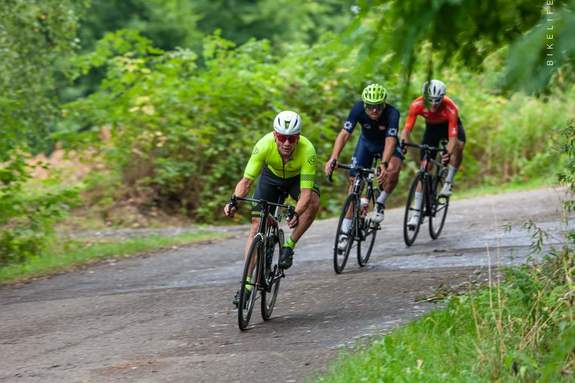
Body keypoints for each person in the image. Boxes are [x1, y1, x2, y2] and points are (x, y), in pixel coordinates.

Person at [224, 110, 320, 305]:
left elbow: (306, 193)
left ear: (298, 138)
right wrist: (233, 201)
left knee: (314, 203)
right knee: (256, 225)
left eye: (291, 138)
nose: (286, 143)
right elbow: (247, 181)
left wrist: (297, 212)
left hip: (295, 179)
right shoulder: (263, 145)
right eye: (282, 137)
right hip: (271, 177)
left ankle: (289, 246)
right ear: (275, 135)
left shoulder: (308, 151)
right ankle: (248, 284)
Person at [324, 83, 403, 250]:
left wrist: (383, 163)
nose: (374, 110)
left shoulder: (392, 113)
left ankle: (380, 202)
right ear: (364, 104)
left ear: (384, 104)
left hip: (386, 146)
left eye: (378, 106)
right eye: (370, 107)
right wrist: (334, 157)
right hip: (366, 144)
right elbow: (345, 134)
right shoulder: (358, 109)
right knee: (354, 183)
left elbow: (390, 140)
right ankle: (345, 231)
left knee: (392, 169)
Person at [400, 79, 466, 228]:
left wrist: (448, 153)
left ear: (443, 97)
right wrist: (402, 143)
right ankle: (416, 213)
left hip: (450, 127)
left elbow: (453, 137)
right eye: (431, 101)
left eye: (438, 100)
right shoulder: (416, 105)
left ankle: (448, 181)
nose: (434, 104)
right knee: (424, 168)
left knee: (459, 147)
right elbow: (406, 130)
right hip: (432, 130)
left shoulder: (451, 108)